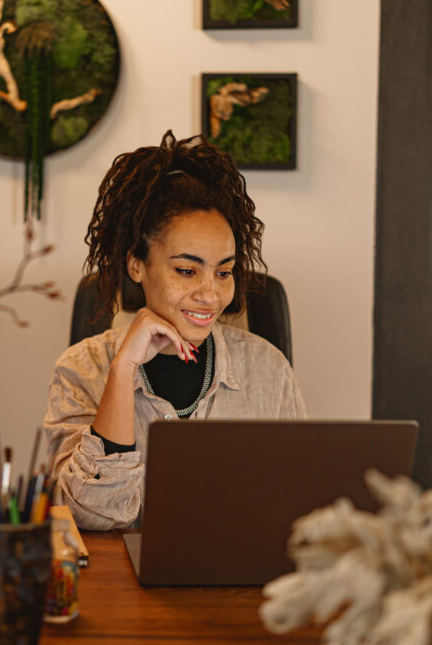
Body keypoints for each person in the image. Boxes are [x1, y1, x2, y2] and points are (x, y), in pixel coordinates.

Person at [43, 130, 307, 531]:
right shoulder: (82, 369)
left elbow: (301, 507)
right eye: (187, 270)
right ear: (136, 266)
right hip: (120, 591)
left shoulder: (268, 369)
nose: (211, 294)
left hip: (237, 589)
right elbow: (90, 518)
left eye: (224, 272)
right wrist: (122, 371)